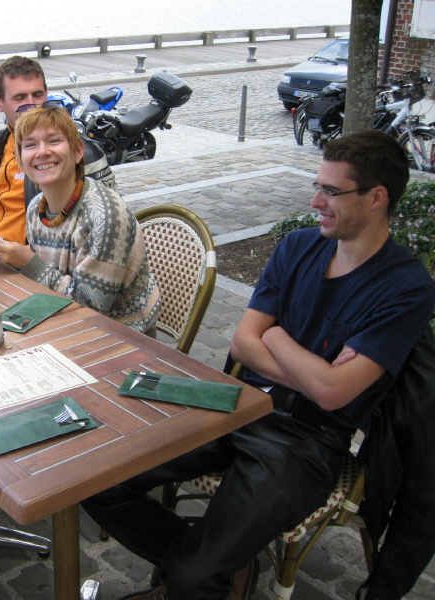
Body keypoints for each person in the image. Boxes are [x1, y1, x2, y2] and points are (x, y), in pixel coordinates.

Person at [81, 130, 435, 600]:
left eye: (331, 191)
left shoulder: (406, 287)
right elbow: (245, 344)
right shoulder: (298, 247)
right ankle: (218, 569)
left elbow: (332, 395)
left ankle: (201, 574)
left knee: (191, 577)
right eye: (317, 186)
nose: (315, 201)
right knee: (96, 483)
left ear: (376, 197)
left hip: (306, 440)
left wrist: (276, 335)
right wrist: (314, 369)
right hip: (239, 404)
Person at [0, 106, 160, 334]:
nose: (42, 152)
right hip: (61, 320)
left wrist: (29, 263)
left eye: (54, 141)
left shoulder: (105, 216)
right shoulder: (36, 208)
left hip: (119, 335)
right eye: (30, 145)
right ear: (20, 160)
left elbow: (93, 308)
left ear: (78, 151)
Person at [0, 55, 115, 246]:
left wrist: (29, 258)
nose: (33, 106)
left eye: (38, 95)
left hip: (39, 257)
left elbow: (106, 222)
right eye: (20, 98)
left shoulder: (79, 151)